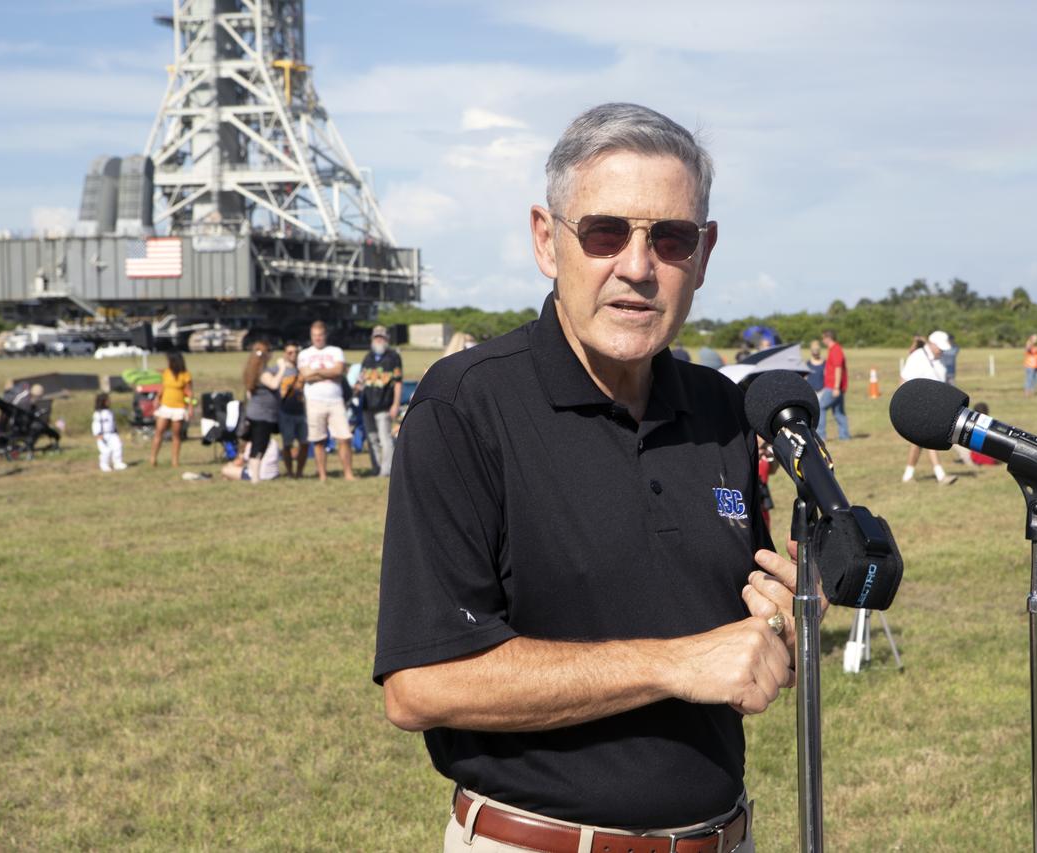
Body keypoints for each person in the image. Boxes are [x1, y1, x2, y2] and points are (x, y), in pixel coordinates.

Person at [375, 103, 816, 853]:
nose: (638, 267)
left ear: (703, 254)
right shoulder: (464, 406)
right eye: (606, 232)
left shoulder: (723, 409)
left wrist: (783, 619)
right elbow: (422, 684)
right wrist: (677, 663)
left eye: (670, 239)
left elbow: (735, 636)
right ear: (548, 241)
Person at [298, 320, 355, 482]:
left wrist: (315, 371)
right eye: (314, 335)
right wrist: (327, 372)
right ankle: (322, 475)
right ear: (311, 336)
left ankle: (348, 473)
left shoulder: (336, 351)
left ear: (325, 335)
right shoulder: (304, 354)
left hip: (335, 400)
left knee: (344, 437)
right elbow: (305, 375)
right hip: (314, 401)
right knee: (318, 440)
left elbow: (338, 371)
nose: (317, 338)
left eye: (320, 335)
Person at [899, 331, 957, 485]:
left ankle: (908, 475)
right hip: (918, 406)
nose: (942, 351)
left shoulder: (942, 359)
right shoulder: (917, 357)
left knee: (920, 441)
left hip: (935, 407)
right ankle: (941, 476)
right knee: (928, 438)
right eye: (940, 348)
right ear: (931, 344)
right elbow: (903, 381)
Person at [355, 325, 403, 478]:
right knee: (371, 439)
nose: (379, 340)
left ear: (387, 339)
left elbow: (398, 382)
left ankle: (386, 470)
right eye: (376, 338)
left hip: (384, 404)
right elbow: (362, 378)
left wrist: (396, 404)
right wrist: (357, 386)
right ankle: (375, 467)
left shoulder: (393, 357)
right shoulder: (367, 357)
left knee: (385, 438)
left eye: (382, 338)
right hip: (367, 404)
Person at [242, 341, 283, 485]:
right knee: (260, 445)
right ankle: (255, 477)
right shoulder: (262, 372)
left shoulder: (252, 370)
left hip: (254, 412)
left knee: (256, 445)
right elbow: (274, 384)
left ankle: (255, 475)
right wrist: (282, 369)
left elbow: (249, 394)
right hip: (262, 415)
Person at [149, 351, 193, 467]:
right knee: (159, 431)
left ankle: (175, 461)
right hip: (165, 406)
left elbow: (189, 392)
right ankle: (153, 458)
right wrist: (157, 399)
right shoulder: (167, 373)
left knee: (176, 435)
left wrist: (190, 407)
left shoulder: (185, 375)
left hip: (178, 408)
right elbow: (162, 387)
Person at [277, 342, 308, 478]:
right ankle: (290, 472)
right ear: (285, 353)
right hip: (286, 412)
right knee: (287, 444)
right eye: (290, 352)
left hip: (302, 412)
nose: (293, 355)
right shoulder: (278, 370)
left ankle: (300, 472)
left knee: (305, 443)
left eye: (295, 352)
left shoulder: (302, 370)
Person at [818, 329, 850, 440]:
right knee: (838, 412)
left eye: (823, 338)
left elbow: (838, 368)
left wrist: (836, 387)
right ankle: (844, 436)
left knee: (820, 407)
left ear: (828, 338)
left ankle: (821, 435)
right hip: (835, 387)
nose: (822, 340)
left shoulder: (836, 349)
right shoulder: (832, 349)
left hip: (833, 387)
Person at [91, 392, 126, 472]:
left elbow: (113, 423)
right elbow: (95, 424)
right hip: (102, 435)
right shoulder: (98, 414)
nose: (109, 401)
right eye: (107, 400)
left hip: (112, 434)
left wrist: (116, 431)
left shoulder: (110, 412)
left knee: (118, 447)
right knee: (106, 451)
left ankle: (117, 463)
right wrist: (97, 434)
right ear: (103, 401)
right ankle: (104, 464)